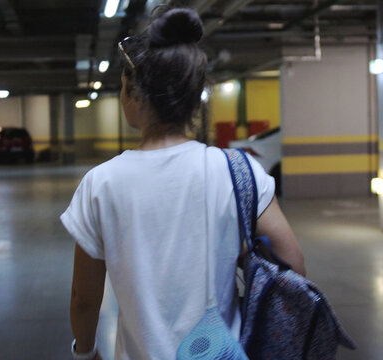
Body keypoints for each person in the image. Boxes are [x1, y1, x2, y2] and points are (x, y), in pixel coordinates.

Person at [60, 7, 305, 360]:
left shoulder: (101, 184)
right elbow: (293, 266)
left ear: (134, 96)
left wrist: (85, 352)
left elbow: (83, 301)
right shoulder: (239, 171)